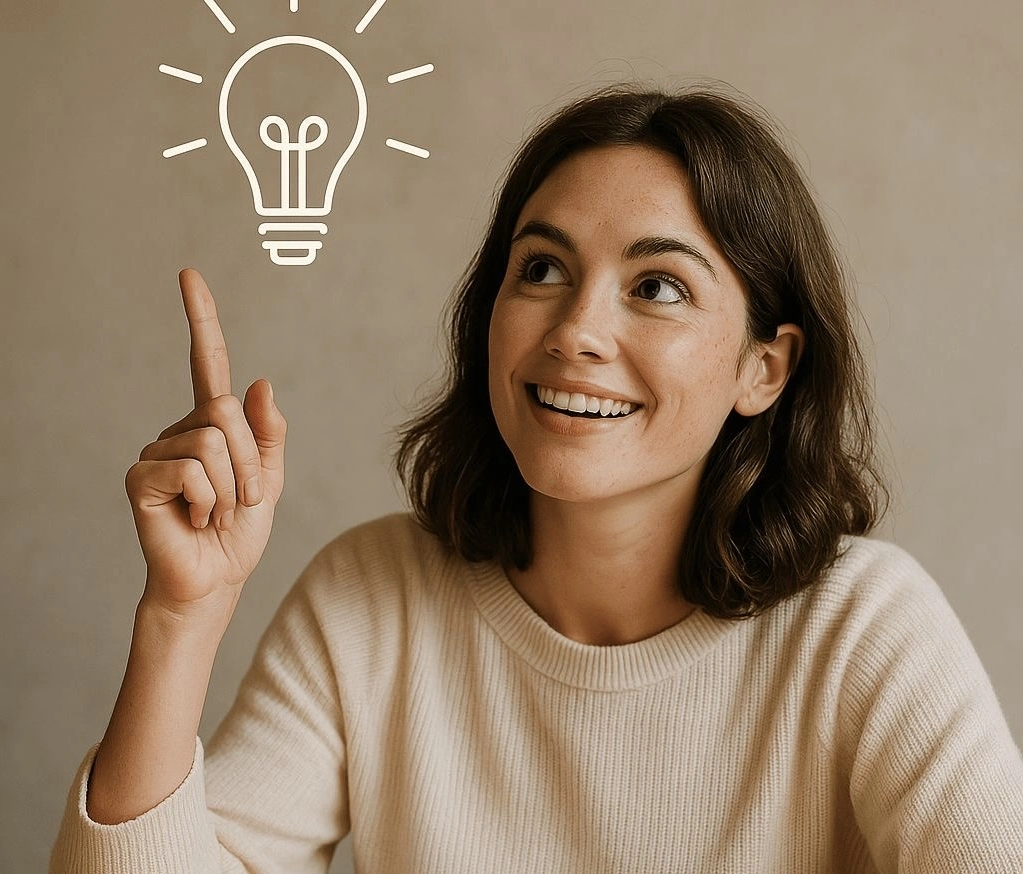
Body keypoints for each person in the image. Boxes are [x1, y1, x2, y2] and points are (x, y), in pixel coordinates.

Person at [51, 85, 1023, 873]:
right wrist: (182, 616)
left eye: (657, 287)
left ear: (762, 368)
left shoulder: (864, 625)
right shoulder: (371, 597)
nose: (574, 331)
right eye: (542, 269)